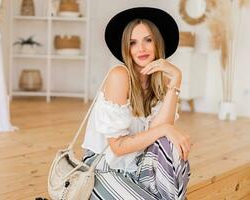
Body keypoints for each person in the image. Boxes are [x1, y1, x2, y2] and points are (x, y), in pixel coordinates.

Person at [81, 7, 191, 200]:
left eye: (148, 40)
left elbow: (159, 133)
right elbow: (118, 147)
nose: (141, 49)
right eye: (133, 43)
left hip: (138, 164)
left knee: (169, 143)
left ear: (158, 43)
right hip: (104, 166)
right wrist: (165, 129)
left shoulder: (163, 82)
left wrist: (176, 79)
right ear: (126, 48)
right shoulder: (119, 75)